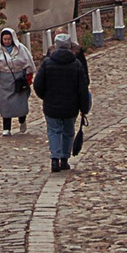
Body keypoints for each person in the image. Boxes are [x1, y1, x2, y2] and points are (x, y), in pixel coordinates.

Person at [32, 33, 92, 172]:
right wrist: (84, 107)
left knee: (53, 131)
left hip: (51, 105)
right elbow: (83, 88)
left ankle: (55, 158)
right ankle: (64, 159)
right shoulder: (76, 64)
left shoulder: (47, 63)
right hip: (71, 106)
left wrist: (45, 97)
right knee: (68, 131)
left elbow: (38, 84)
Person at [0, 27, 35, 134]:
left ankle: (22, 120)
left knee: (21, 102)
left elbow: (29, 64)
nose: (7, 41)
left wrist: (29, 78)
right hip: (4, 80)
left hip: (19, 78)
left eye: (8, 39)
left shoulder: (21, 49)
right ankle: (6, 128)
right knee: (5, 104)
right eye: (5, 39)